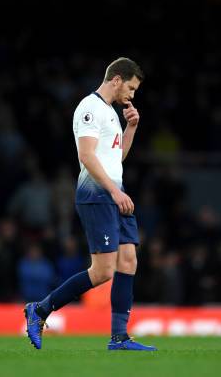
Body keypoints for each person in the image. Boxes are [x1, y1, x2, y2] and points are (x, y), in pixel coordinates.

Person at [23, 57, 156, 351]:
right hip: (98, 195)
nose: (132, 95)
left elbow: (115, 160)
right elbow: (87, 156)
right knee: (103, 271)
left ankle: (119, 337)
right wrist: (114, 192)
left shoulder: (111, 113)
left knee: (128, 260)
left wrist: (131, 128)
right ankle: (40, 310)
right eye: (131, 88)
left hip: (113, 191)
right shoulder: (89, 108)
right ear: (117, 79)